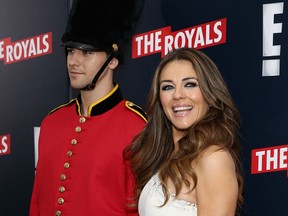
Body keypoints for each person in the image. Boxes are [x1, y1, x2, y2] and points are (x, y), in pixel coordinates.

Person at [29, 0, 146, 215]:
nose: (73, 61)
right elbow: (37, 203)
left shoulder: (137, 128)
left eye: (87, 52)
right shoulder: (52, 122)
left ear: (112, 61)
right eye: (71, 51)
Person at [124, 47, 244, 216]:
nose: (178, 95)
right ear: (159, 98)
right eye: (167, 87)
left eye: (190, 84)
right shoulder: (167, 154)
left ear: (209, 93)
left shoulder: (213, 158)